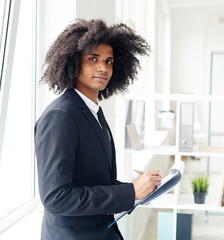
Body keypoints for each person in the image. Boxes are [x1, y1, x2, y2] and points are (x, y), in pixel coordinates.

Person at [35, 19, 161, 240]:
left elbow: (95, 183)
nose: (104, 68)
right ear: (74, 63)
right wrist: (130, 192)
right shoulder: (61, 116)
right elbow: (56, 198)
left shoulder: (94, 112)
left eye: (109, 61)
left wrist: (138, 191)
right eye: (93, 59)